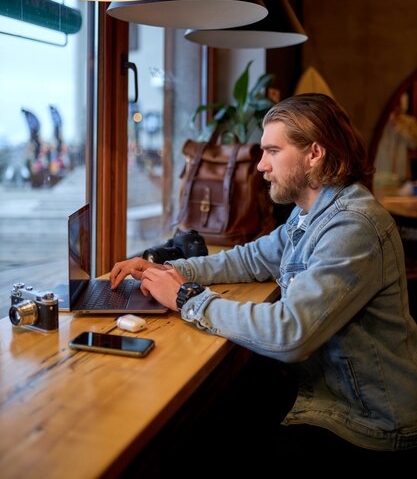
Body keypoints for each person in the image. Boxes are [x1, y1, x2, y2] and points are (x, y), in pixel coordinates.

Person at [111, 93, 417, 469]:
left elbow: (290, 335)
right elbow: (254, 256)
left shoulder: (352, 225)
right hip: (325, 389)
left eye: (272, 151)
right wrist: (170, 271)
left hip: (366, 422)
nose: (260, 165)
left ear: (314, 154)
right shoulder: (312, 212)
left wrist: (186, 298)